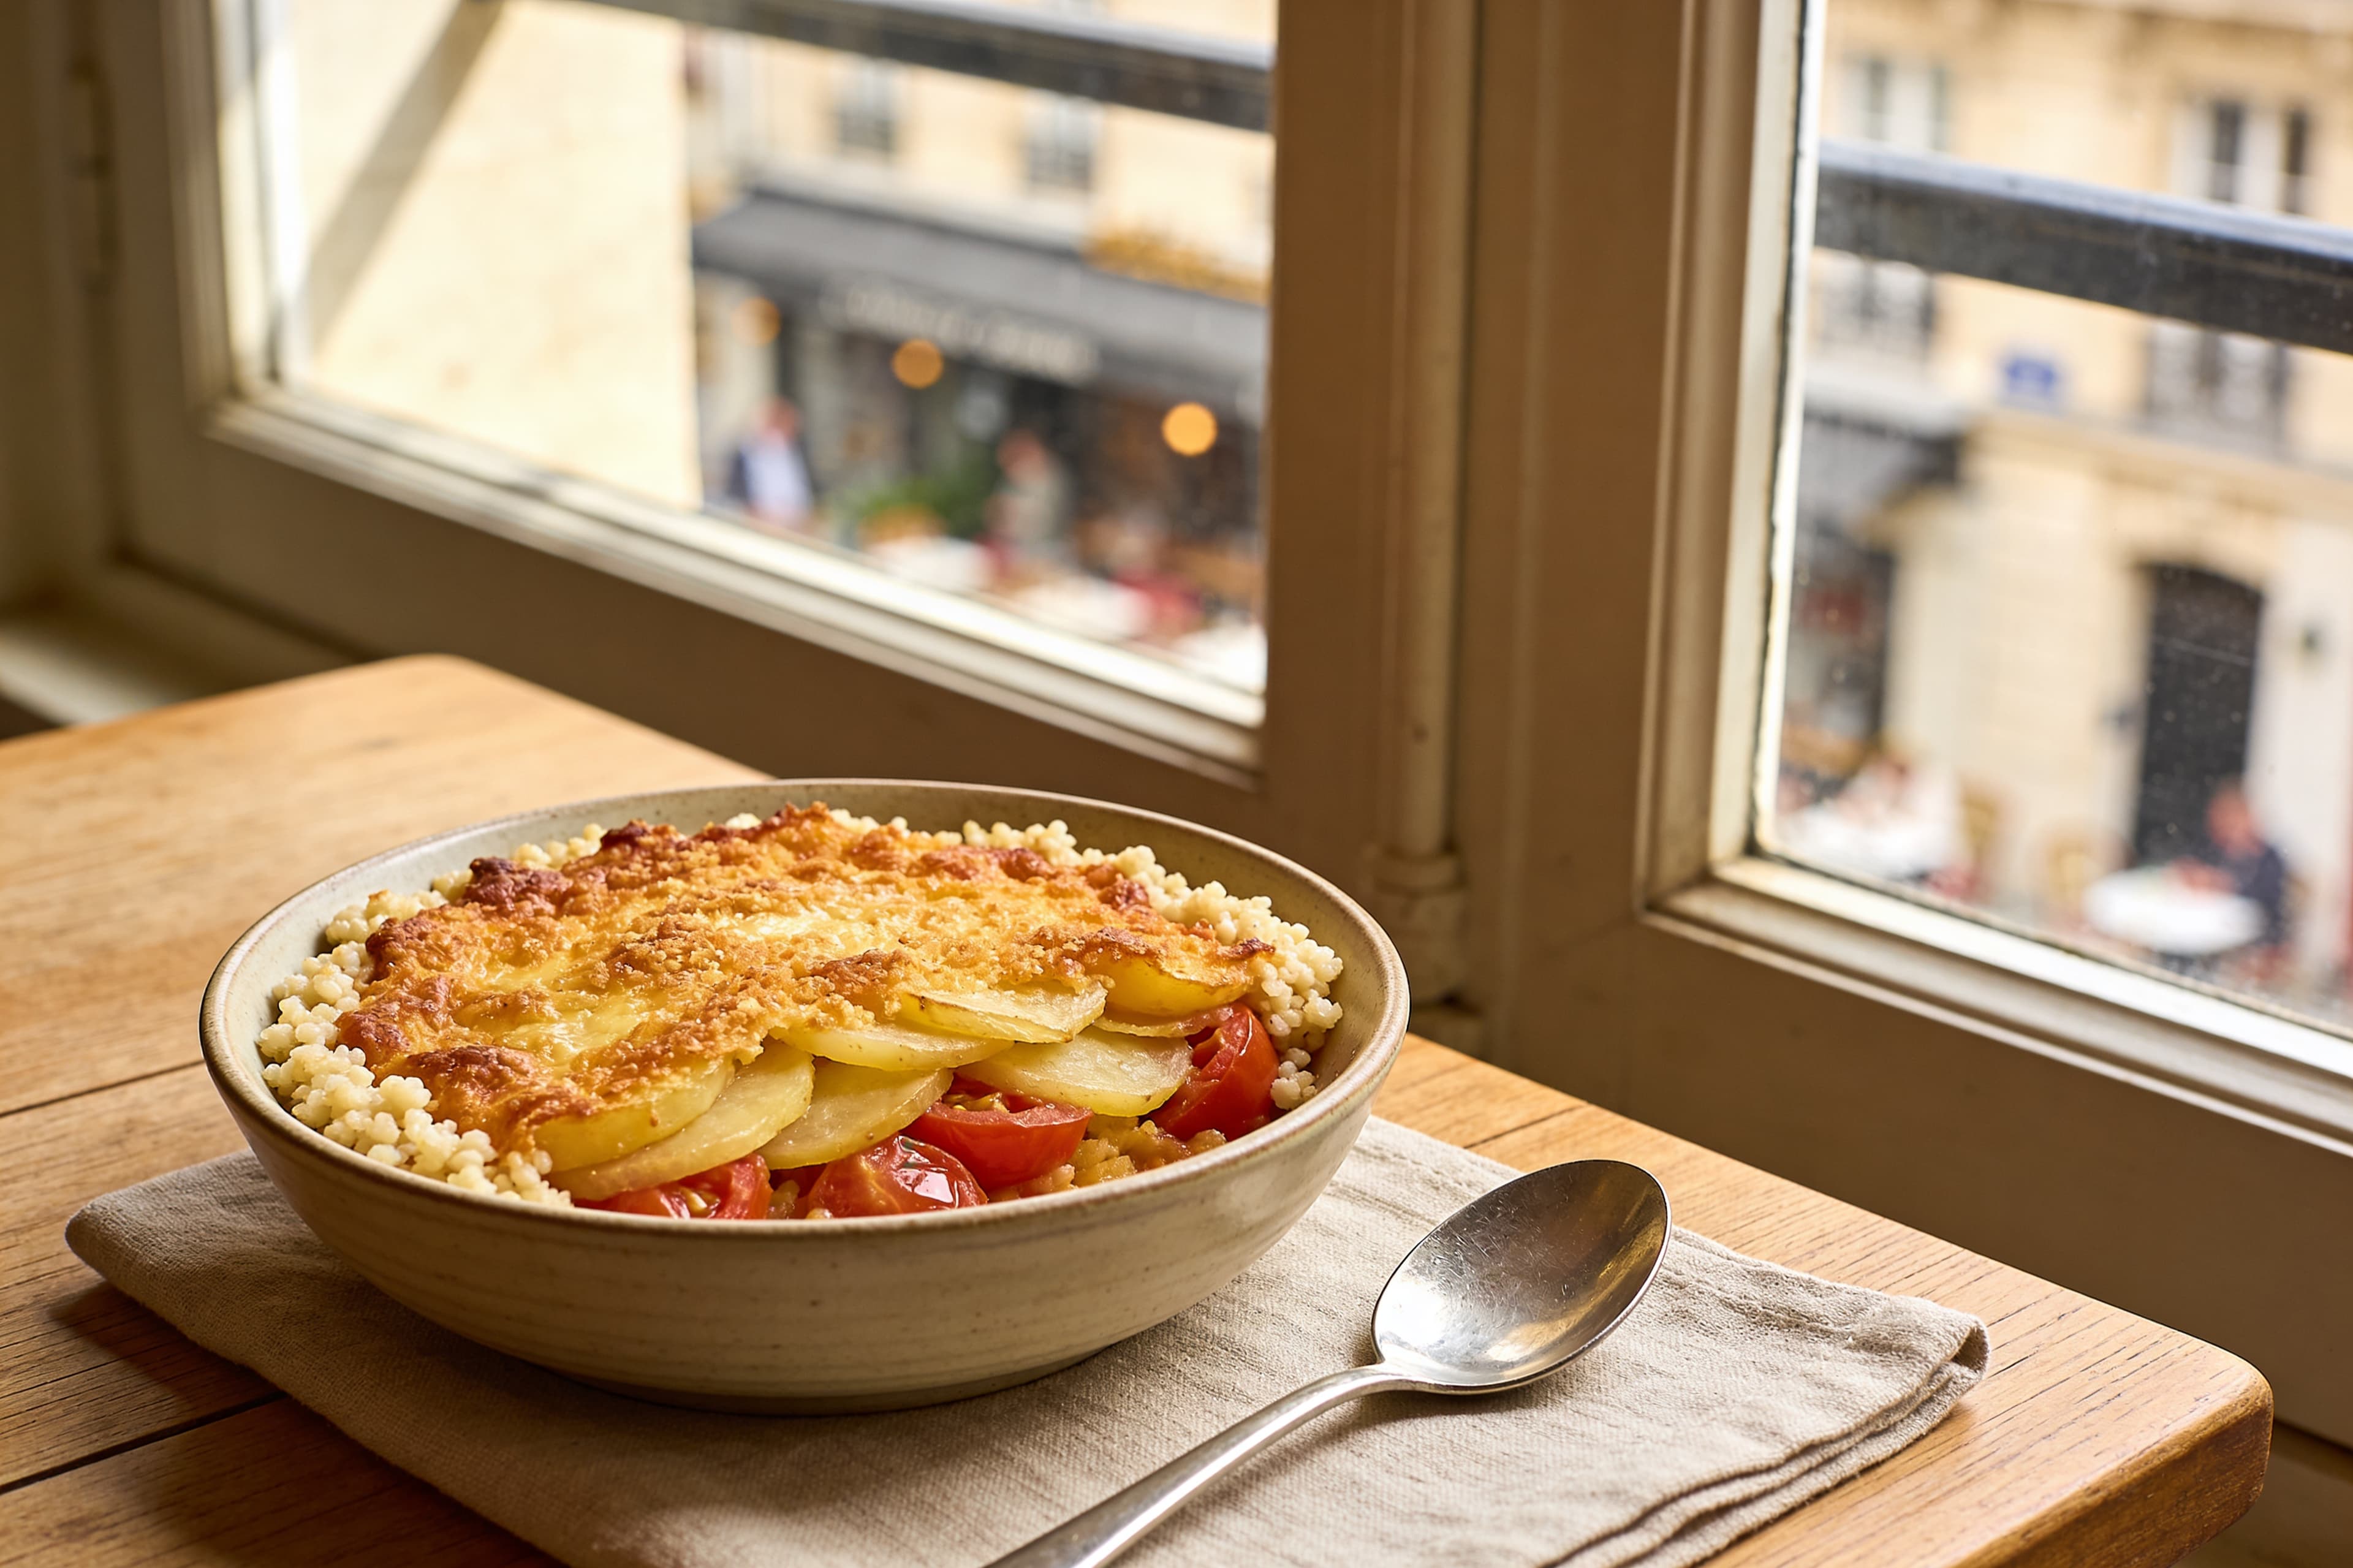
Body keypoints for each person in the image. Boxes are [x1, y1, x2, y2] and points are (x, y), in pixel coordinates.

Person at [2181, 781, 2290, 958]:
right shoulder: (2216, 848)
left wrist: (2225, 885)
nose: (2221, 824)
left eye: (2229, 817)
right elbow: (2193, 864)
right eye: (2218, 817)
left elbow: (2267, 904)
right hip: (2212, 931)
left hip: (2255, 943)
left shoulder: (2269, 858)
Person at [726, 398, 814, 534]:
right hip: (758, 525)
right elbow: (736, 497)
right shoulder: (746, 454)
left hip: (797, 526)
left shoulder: (797, 452)